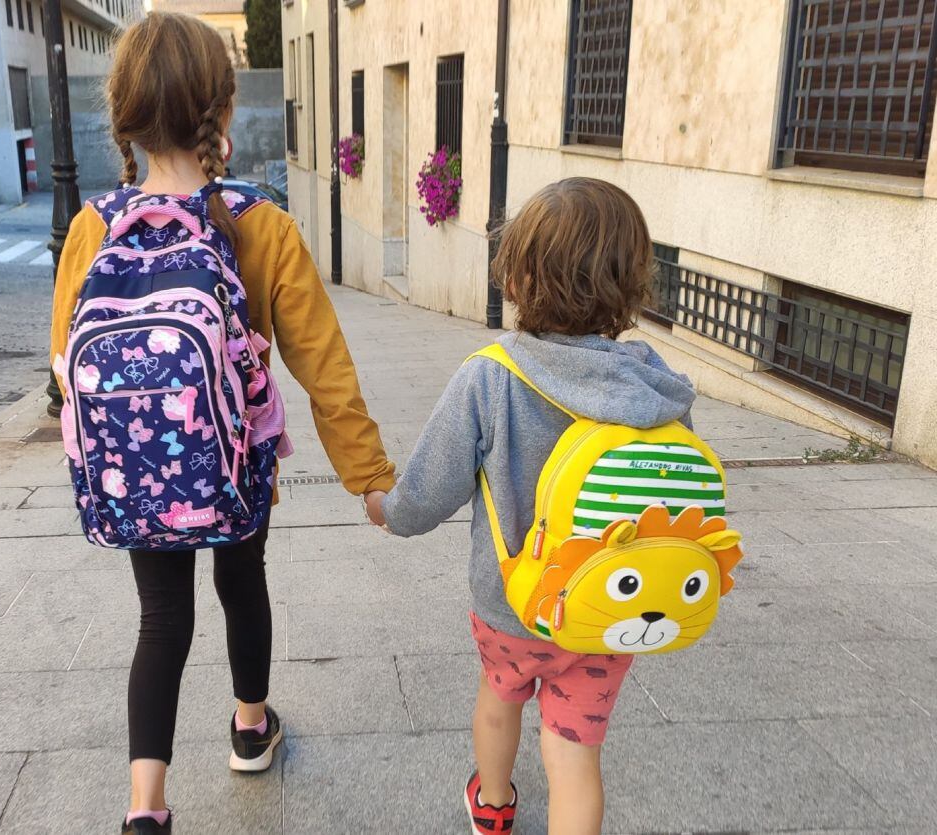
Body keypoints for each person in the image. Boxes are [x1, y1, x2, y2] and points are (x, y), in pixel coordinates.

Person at [49, 13, 394, 834]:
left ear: (123, 117)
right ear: (223, 112)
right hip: (235, 465)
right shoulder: (261, 224)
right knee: (243, 582)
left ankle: (146, 808)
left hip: (138, 470)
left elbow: (66, 364)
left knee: (161, 616)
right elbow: (324, 366)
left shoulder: (93, 228)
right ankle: (249, 725)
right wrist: (369, 479)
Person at [368, 178, 697, 834]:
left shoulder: (491, 376)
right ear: (632, 283)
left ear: (516, 279)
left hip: (513, 605)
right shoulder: (656, 384)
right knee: (575, 753)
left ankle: (492, 805)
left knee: (499, 700)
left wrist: (385, 506)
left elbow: (428, 494)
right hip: (610, 606)